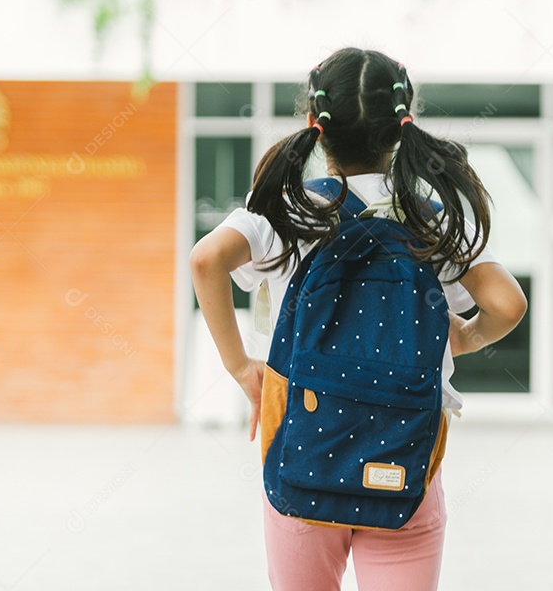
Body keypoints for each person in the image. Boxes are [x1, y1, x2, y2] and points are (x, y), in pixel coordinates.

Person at [189, 47, 527, 591]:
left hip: (303, 451)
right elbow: (508, 305)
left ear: (314, 126)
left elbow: (205, 260)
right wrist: (462, 337)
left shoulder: (286, 207)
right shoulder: (427, 217)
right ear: (400, 128)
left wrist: (240, 367)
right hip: (405, 455)